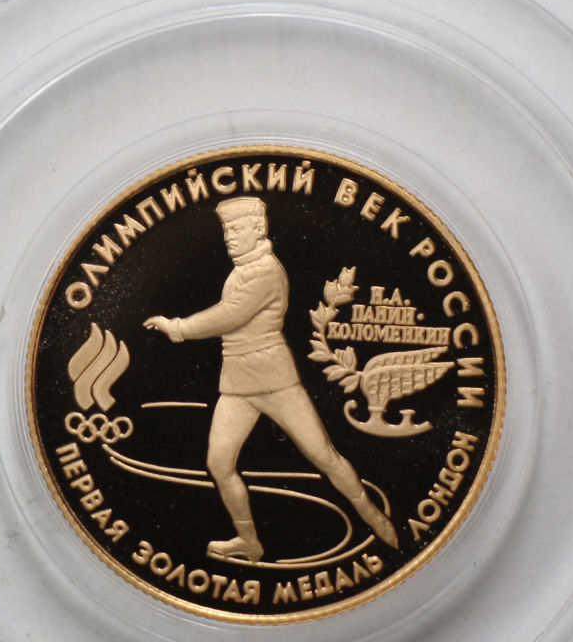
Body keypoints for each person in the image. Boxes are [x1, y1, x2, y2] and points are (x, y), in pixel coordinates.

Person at [144, 195, 398, 562]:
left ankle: (375, 518)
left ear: (259, 229)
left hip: (274, 380)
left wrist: (178, 327)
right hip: (238, 384)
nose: (229, 236)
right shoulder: (243, 270)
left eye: (237, 228)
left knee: (324, 456)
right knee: (219, 464)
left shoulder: (264, 271)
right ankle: (249, 541)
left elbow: (230, 315)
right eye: (226, 230)